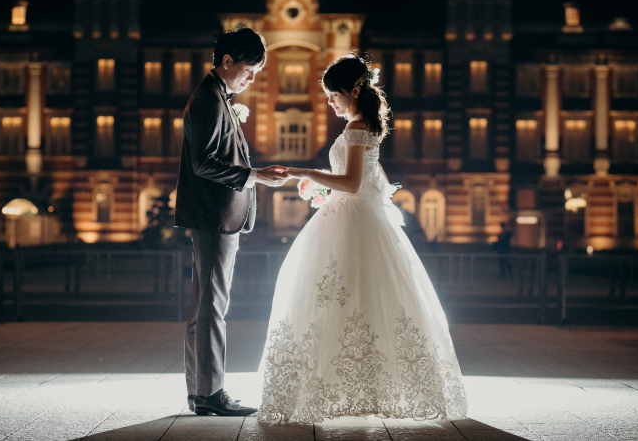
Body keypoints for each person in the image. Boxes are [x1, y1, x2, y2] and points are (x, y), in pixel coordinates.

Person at [257, 54, 467, 423]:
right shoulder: (365, 125)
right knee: (362, 300)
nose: (329, 101)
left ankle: (340, 385)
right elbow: (372, 181)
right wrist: (323, 182)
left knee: (337, 300)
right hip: (357, 218)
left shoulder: (356, 129)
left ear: (351, 90)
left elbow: (352, 184)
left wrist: (303, 172)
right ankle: (365, 385)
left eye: (332, 94)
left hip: (350, 222)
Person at [174, 26, 289, 417]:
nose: (252, 78)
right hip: (215, 217)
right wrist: (255, 175)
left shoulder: (216, 97)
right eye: (250, 69)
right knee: (212, 307)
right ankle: (210, 393)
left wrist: (254, 173)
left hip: (216, 216)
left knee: (205, 305)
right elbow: (203, 163)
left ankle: (201, 391)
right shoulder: (208, 99)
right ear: (227, 62)